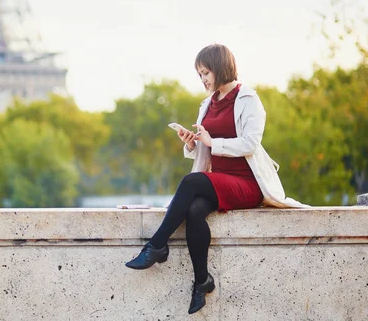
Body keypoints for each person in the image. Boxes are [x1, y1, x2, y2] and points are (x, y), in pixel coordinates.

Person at [124, 43, 308, 315]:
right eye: (199, 74)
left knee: (190, 183)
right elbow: (205, 146)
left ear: (221, 67)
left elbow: (250, 144)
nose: (203, 79)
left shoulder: (248, 100)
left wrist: (213, 141)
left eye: (206, 72)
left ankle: (157, 245)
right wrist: (191, 142)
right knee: (195, 211)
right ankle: (202, 282)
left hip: (248, 183)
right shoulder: (207, 104)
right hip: (220, 179)